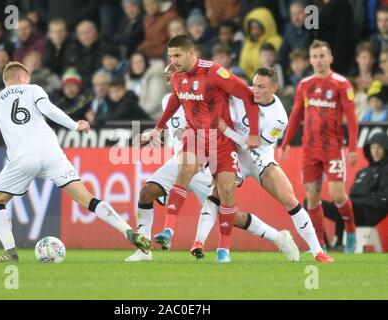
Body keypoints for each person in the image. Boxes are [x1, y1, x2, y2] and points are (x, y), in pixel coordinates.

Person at [0, 62, 152, 262]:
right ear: (20, 77)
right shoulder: (33, 90)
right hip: (52, 152)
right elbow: (49, 110)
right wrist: (75, 125)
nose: (30, 79)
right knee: (87, 199)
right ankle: (128, 231)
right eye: (28, 75)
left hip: (23, 157)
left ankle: (10, 251)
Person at [195, 67, 332, 263]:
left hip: (260, 157)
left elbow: (254, 144)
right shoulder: (242, 94)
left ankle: (318, 251)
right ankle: (204, 244)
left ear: (274, 88)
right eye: (254, 85)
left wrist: (226, 130)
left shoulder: (278, 118)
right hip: (234, 154)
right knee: (217, 194)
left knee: (289, 199)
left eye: (261, 87)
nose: (255, 90)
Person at [145, 35, 261, 262]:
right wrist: (159, 127)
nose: (174, 61)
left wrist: (254, 132)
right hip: (195, 136)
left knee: (226, 190)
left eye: (177, 55)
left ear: (191, 53)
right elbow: (175, 101)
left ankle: (223, 249)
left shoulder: (214, 72)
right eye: (170, 56)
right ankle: (168, 230)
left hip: (221, 140)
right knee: (185, 169)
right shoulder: (177, 77)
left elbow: (247, 95)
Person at [125, 63, 213, 262]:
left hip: (202, 166)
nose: (170, 82)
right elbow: (174, 127)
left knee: (232, 216)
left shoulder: (200, 97)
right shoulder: (168, 101)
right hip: (178, 161)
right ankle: (144, 249)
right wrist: (154, 132)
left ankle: (276, 236)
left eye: (173, 77)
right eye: (167, 79)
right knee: (146, 192)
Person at [280, 40, 359, 254]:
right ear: (310, 60)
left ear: (330, 58)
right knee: (312, 197)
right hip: (309, 150)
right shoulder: (305, 85)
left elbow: (352, 119)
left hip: (333, 148)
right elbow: (295, 116)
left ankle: (351, 230)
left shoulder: (341, 84)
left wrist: (352, 147)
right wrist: (286, 142)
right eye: (314, 56)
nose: (318, 60)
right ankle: (320, 246)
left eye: (322, 56)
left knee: (337, 195)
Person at [322, 132, 388, 249]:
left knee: (344, 205)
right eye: (373, 147)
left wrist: (354, 202)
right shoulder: (362, 172)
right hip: (352, 209)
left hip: (368, 214)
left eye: (379, 147)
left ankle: (339, 244)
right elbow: (351, 195)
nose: (375, 151)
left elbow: (383, 200)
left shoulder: (386, 170)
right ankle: (323, 244)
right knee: (312, 204)